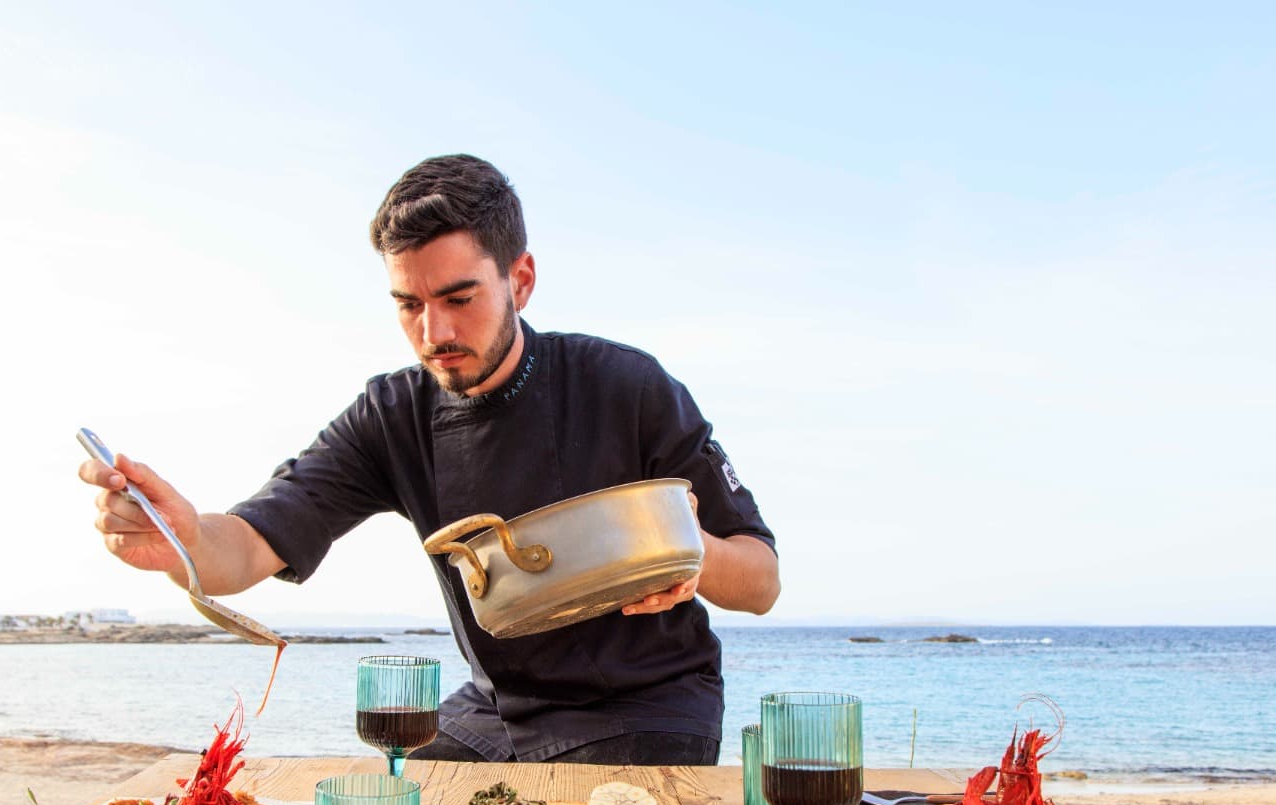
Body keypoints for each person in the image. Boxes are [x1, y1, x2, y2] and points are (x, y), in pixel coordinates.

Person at [80, 154, 780, 765]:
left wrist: (685, 551)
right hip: (493, 710)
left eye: (457, 298)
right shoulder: (391, 416)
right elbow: (241, 550)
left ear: (521, 280)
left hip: (647, 708)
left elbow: (762, 582)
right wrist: (180, 541)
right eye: (408, 304)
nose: (433, 331)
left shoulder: (627, 386)